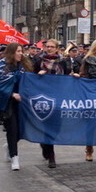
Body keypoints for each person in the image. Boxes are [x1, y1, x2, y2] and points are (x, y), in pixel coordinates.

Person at [0, 43, 33, 170]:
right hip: (8, 102)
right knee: (12, 129)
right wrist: (12, 94)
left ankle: (9, 146)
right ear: (11, 52)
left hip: (22, 102)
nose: (21, 53)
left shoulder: (24, 65)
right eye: (18, 51)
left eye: (21, 51)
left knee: (21, 130)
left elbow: (30, 80)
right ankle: (14, 157)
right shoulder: (2, 67)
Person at [33, 39, 72, 168]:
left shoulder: (63, 61)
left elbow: (67, 76)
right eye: (47, 46)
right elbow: (31, 77)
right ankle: (51, 155)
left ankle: (45, 143)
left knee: (56, 126)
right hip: (44, 97)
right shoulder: (39, 60)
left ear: (56, 49)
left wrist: (75, 76)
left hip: (58, 96)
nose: (49, 49)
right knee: (47, 125)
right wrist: (38, 75)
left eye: (52, 47)